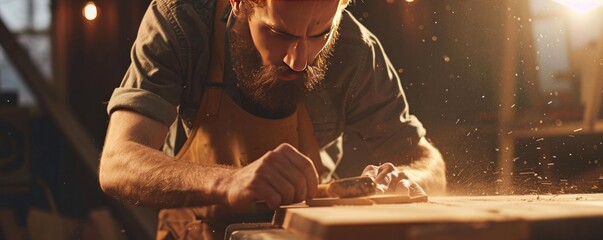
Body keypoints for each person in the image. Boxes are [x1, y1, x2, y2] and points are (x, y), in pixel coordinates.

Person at [99, 0, 446, 239]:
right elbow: (117, 162)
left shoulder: (356, 51)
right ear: (239, 4)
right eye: (281, 34)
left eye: (319, 34)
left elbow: (427, 161)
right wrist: (227, 183)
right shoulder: (181, 23)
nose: (299, 60)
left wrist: (407, 181)